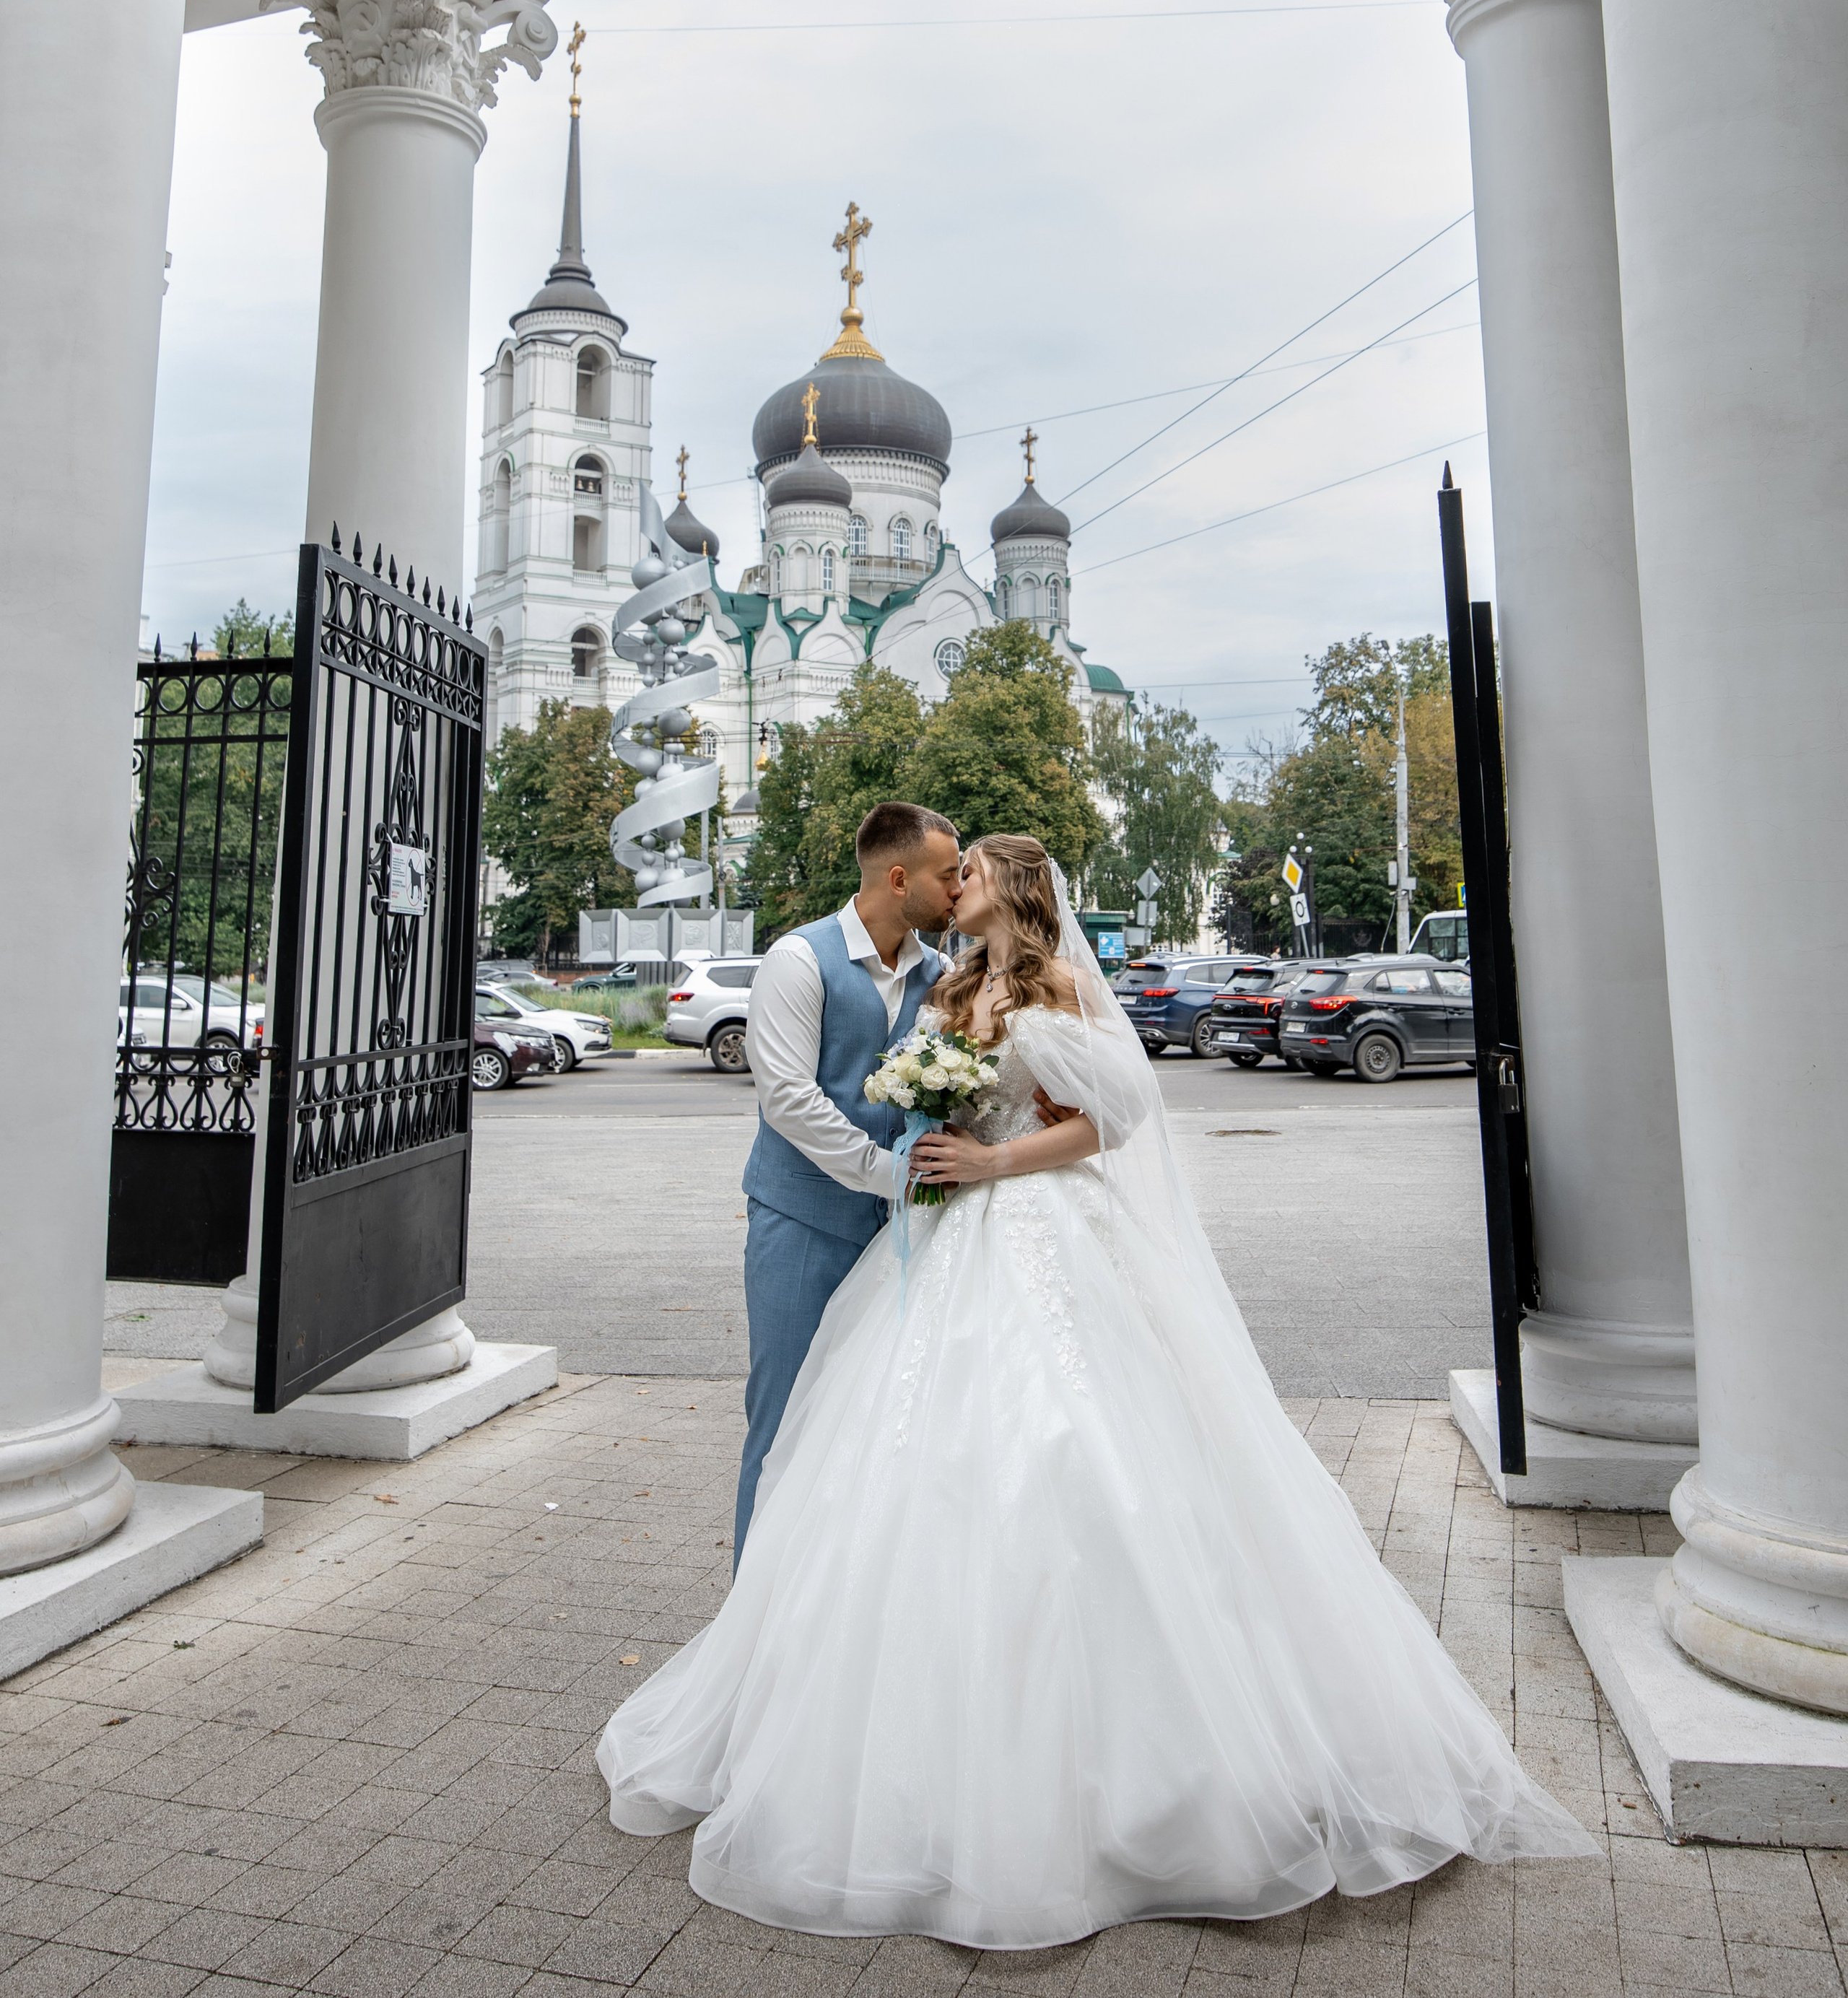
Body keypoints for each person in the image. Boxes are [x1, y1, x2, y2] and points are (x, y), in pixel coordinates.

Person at [598, 832, 1596, 1948]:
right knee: (891, 1453)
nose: (954, 878)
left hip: (1038, 1228)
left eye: (970, 868)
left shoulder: (1058, 984)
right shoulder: (950, 980)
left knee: (1074, 1450)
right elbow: (904, 1100)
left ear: (1014, 889)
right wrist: (938, 1142)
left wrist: (986, 1161)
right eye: (947, 866)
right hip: (939, 1239)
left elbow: (1110, 1122)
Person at [728, 798, 962, 1561]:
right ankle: (750, 1624)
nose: (958, 887)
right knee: (785, 1415)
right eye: (946, 874)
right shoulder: (798, 959)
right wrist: (885, 1173)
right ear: (899, 879)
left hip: (902, 1237)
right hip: (802, 1224)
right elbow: (789, 1098)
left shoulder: (944, 974)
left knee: (873, 1423)